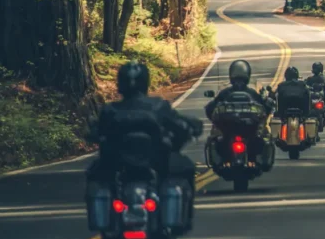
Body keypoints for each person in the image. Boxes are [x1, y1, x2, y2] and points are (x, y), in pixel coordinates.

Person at [86, 61, 203, 189]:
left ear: (120, 83)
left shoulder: (110, 110)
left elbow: (95, 132)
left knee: (96, 175)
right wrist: (190, 128)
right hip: (151, 163)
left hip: (119, 166)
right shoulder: (158, 106)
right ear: (146, 82)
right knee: (184, 167)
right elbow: (178, 125)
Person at [204, 60, 274, 168]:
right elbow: (266, 106)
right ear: (248, 75)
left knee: (216, 138)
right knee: (262, 137)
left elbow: (210, 108)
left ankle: (222, 160)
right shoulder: (252, 92)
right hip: (247, 131)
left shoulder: (225, 92)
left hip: (229, 130)